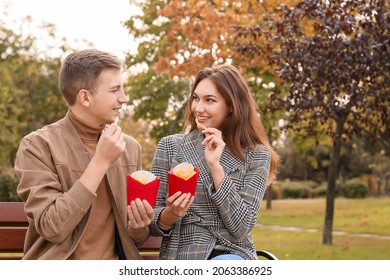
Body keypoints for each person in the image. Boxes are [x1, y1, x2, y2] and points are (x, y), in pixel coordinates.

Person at [14, 49, 153, 260]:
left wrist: (138, 226)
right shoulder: (37, 146)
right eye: (115, 90)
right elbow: (52, 228)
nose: (124, 98)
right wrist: (100, 162)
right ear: (85, 97)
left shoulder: (130, 147)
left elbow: (135, 239)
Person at [149, 64, 279, 260]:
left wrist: (215, 167)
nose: (198, 108)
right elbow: (152, 221)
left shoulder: (257, 155)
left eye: (209, 100)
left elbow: (241, 226)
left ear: (232, 106)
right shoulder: (170, 146)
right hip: (182, 255)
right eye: (195, 98)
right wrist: (172, 213)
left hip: (232, 254)